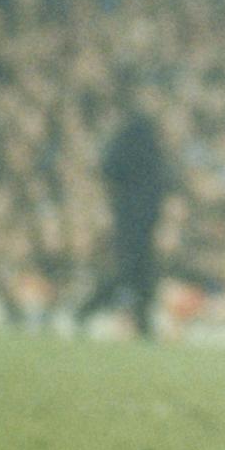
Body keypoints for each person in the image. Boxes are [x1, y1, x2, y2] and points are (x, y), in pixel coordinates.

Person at [80, 85, 172, 339]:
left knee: (138, 274)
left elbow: (109, 168)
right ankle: (84, 312)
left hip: (134, 218)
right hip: (136, 220)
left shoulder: (136, 133)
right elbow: (115, 169)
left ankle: (143, 327)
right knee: (133, 272)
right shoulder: (140, 133)